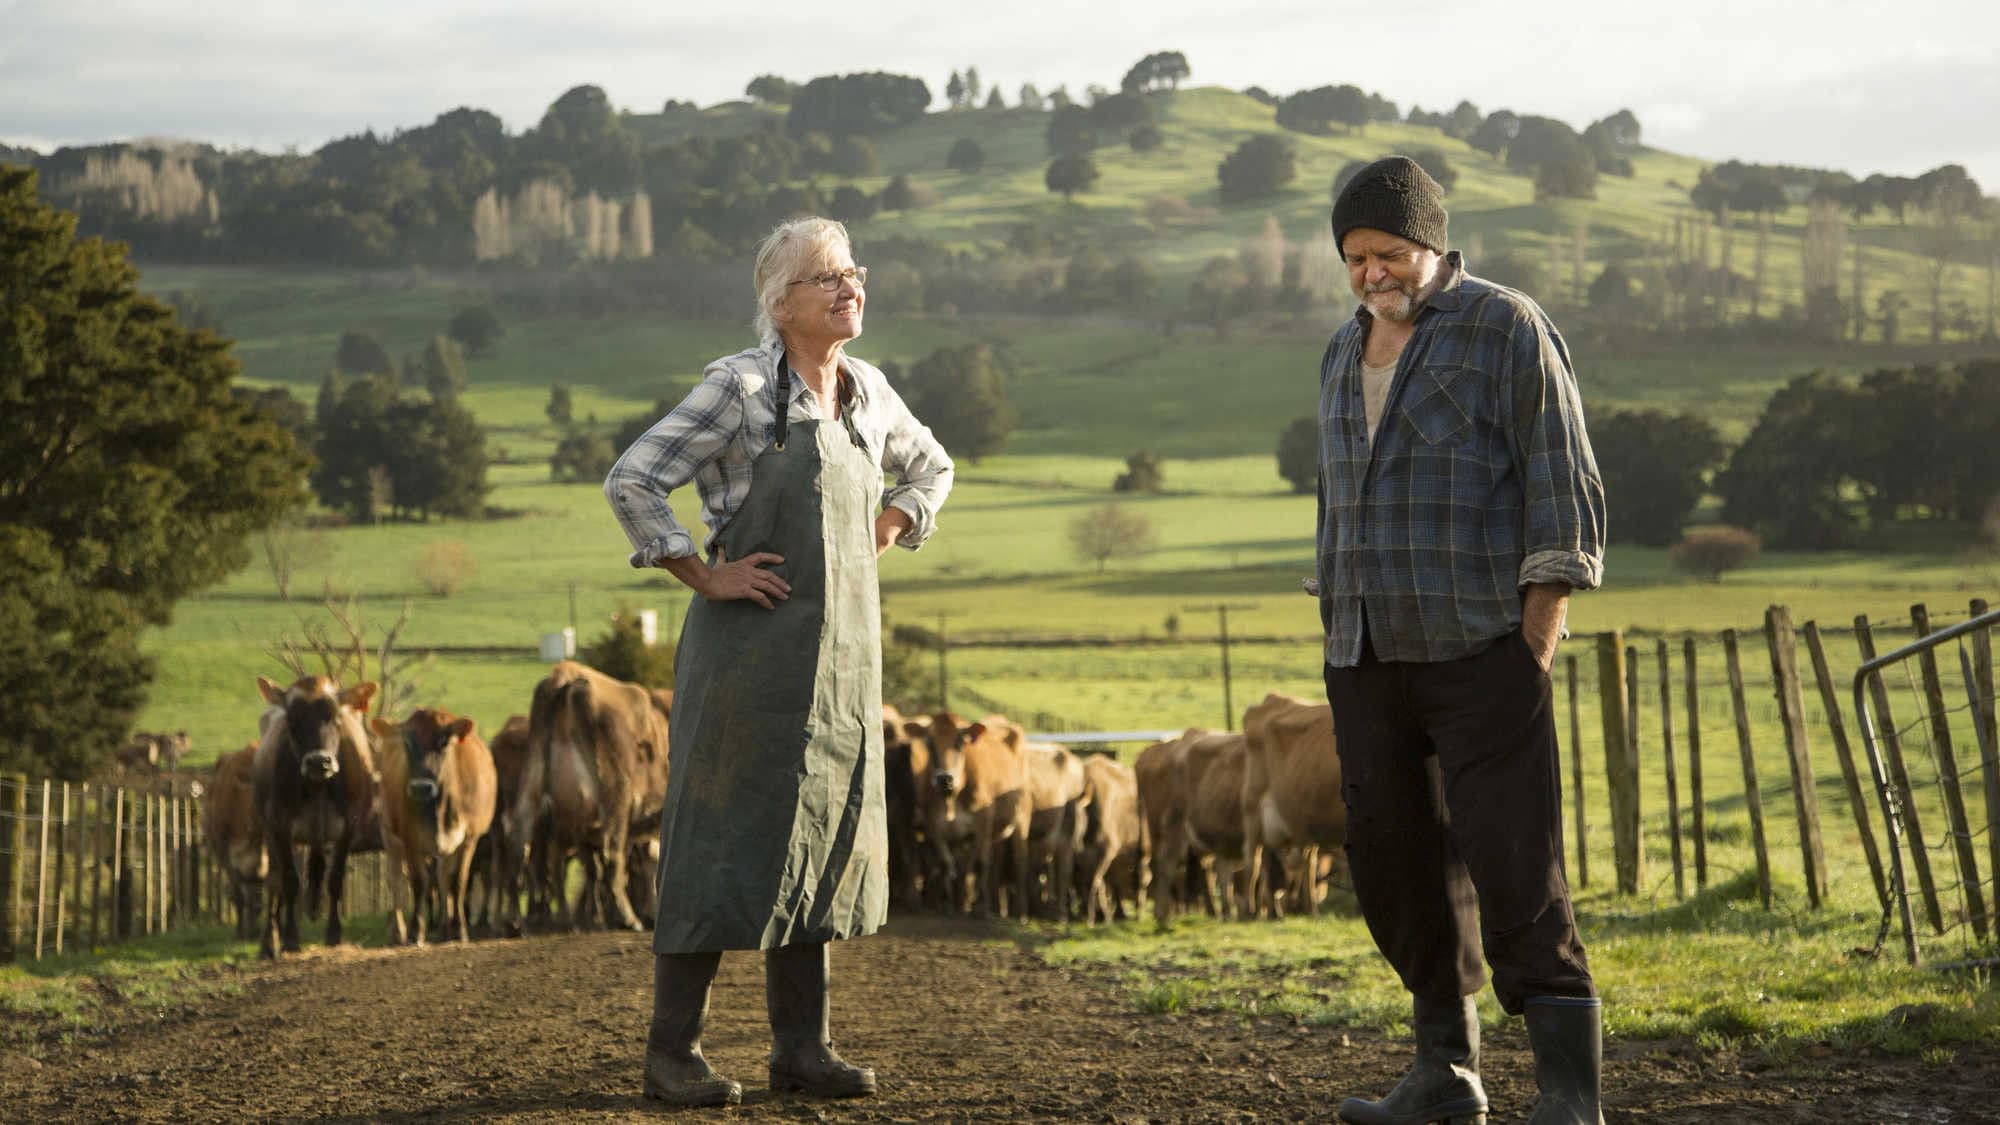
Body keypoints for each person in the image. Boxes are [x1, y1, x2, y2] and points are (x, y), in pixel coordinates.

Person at [604, 216, 954, 1107]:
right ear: (780, 301)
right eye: (829, 278)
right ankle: (671, 1052)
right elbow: (634, 477)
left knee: (821, 843)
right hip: (744, 664)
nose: (851, 288)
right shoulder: (742, 389)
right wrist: (701, 572)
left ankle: (804, 1049)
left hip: (841, 666)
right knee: (716, 843)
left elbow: (934, 468)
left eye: (853, 273)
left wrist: (891, 521)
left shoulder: (868, 391)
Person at [1314, 157, 1608, 1125]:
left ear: (1431, 245)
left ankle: (1568, 1093)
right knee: (1393, 863)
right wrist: (1334, 634)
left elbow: (1560, 488)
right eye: (1354, 257)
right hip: (1366, 654)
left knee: (1513, 863)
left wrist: (1532, 640)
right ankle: (1444, 1073)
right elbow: (1335, 507)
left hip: (1482, 650)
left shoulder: (1504, 327)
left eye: (1386, 253)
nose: (1369, 275)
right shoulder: (1335, 354)